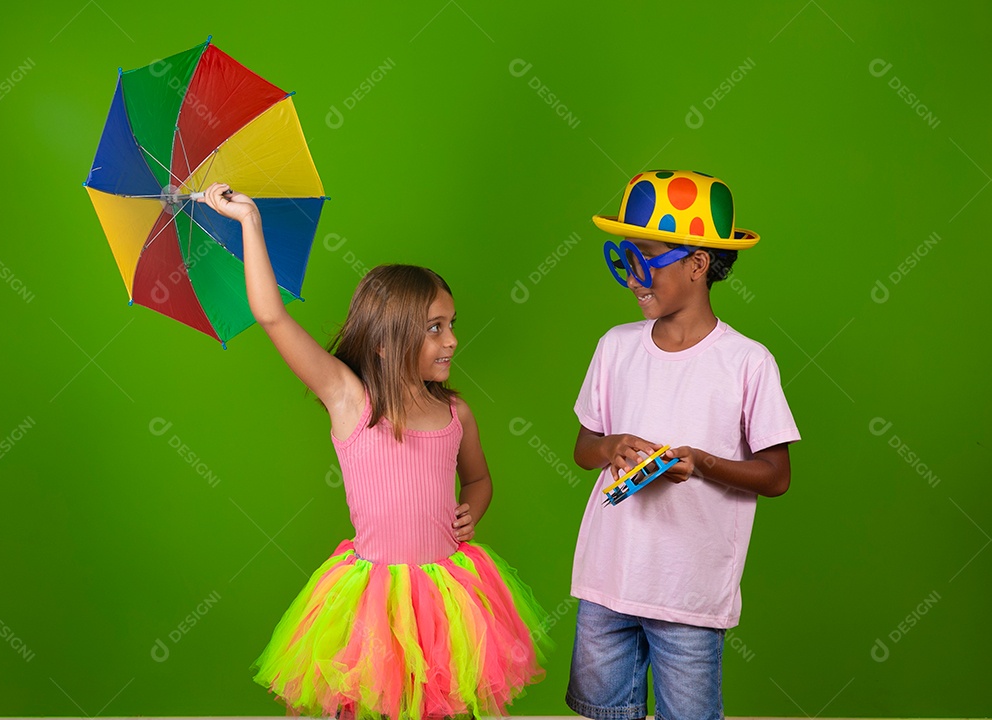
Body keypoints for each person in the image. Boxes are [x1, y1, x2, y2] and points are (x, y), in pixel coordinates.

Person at [198, 183, 547, 720]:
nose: (451, 340)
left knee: (444, 701)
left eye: (451, 325)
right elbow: (272, 317)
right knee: (362, 700)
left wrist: (469, 513)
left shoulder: (457, 414)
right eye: (434, 329)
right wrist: (249, 222)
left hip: (446, 595)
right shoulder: (349, 399)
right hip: (371, 597)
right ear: (385, 340)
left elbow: (478, 480)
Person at [566, 170, 801, 720]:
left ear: (697, 264)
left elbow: (777, 476)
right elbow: (584, 447)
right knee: (604, 712)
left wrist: (700, 463)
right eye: (626, 257)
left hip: (689, 595)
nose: (632, 276)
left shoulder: (747, 362)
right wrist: (612, 447)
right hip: (607, 581)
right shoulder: (615, 346)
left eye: (646, 257)